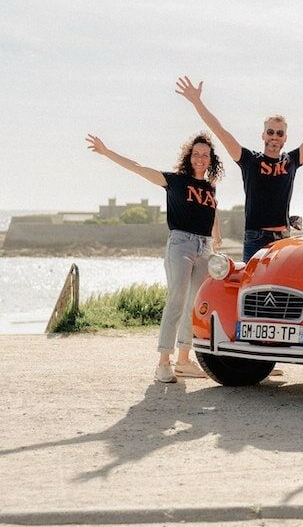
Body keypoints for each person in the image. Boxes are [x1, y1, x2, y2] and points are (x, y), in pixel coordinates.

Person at [86, 132, 223, 384]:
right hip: (180, 244)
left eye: (205, 154)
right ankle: (163, 363)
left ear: (211, 159)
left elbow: (212, 210)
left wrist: (216, 234)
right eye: (196, 154)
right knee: (176, 300)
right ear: (189, 157)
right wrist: (106, 152)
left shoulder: (210, 187)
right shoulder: (174, 181)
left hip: (205, 247)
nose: (200, 158)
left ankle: (183, 361)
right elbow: (138, 168)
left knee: (194, 304)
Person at [175, 72, 303, 261]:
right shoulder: (249, 160)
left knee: (281, 288)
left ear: (284, 138)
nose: (274, 136)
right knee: (251, 287)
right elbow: (220, 131)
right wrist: (197, 102)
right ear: (263, 135)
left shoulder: (291, 161)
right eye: (270, 132)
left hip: (282, 240)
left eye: (279, 133)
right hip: (255, 238)